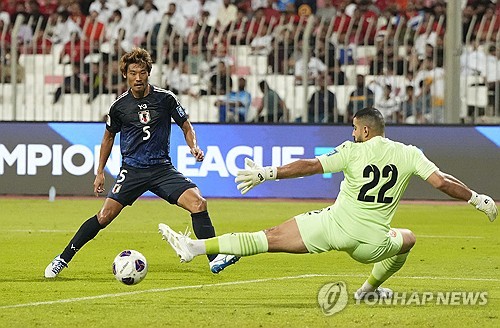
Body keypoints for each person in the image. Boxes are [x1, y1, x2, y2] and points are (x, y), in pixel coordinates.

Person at [159, 107, 497, 300]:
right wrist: (476, 198)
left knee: (268, 237)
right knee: (407, 239)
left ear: (365, 130)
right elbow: (442, 182)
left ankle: (196, 247)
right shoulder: (409, 153)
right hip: (372, 245)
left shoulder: (352, 151)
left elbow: (308, 166)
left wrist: (268, 173)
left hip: (333, 227)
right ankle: (368, 290)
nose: (351, 134)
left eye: (354, 129)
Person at [45, 48, 239, 278]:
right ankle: (62, 258)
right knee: (104, 216)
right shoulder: (119, 107)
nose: (138, 77)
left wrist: (193, 147)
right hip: (133, 170)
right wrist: (99, 172)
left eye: (143, 72)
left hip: (161, 169)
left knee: (198, 203)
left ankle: (214, 258)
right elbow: (108, 138)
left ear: (149, 73)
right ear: (125, 75)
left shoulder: (165, 99)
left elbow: (186, 125)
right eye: (133, 73)